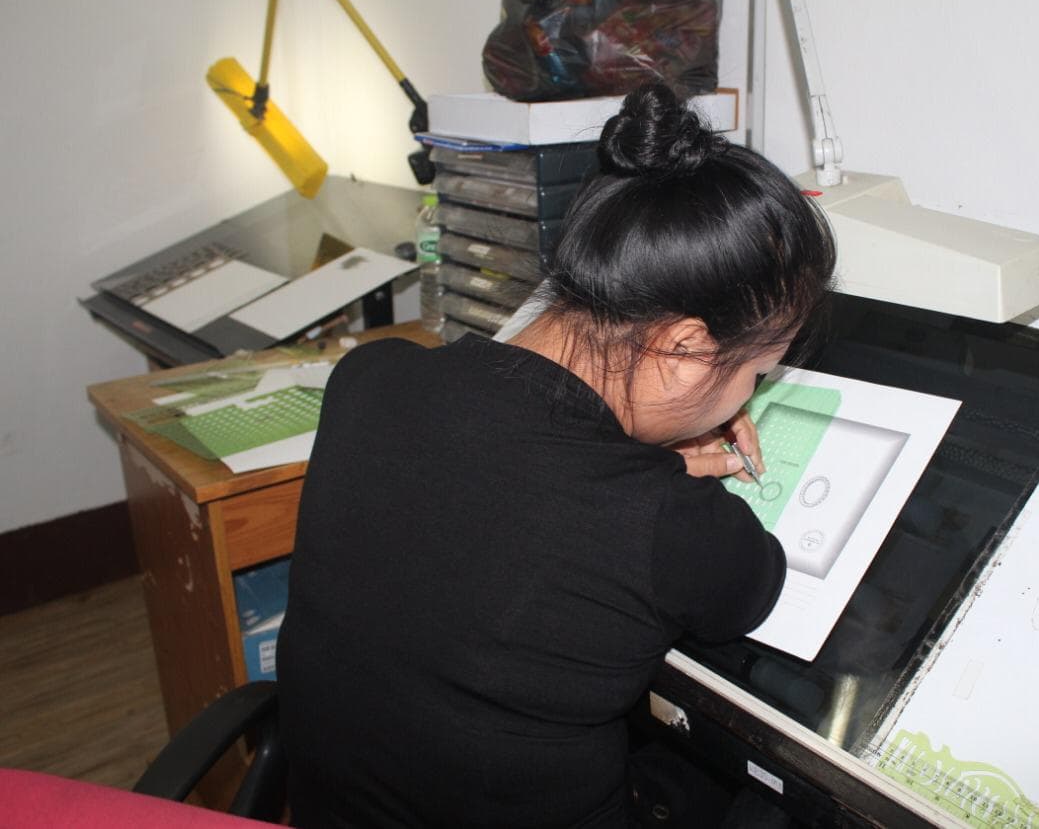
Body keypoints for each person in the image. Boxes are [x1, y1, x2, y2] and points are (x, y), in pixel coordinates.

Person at [276, 82, 836, 828]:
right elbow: (749, 584)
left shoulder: (370, 379)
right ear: (683, 348)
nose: (747, 397)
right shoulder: (665, 521)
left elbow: (512, 491)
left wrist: (647, 447)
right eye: (756, 374)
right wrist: (660, 470)